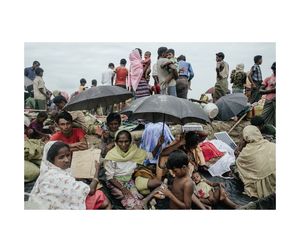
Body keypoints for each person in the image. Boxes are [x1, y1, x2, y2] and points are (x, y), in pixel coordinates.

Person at [29, 141, 111, 209]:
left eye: (68, 155)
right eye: (61, 157)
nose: (67, 160)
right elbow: (91, 191)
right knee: (102, 197)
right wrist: (96, 171)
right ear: (51, 160)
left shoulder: (47, 171)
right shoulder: (57, 176)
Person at [104, 130, 163, 209]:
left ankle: (145, 200)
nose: (123, 144)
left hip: (128, 180)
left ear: (131, 141)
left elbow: (151, 155)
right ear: (116, 142)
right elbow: (110, 177)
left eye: (126, 141)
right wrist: (123, 189)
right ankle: (147, 199)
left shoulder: (135, 152)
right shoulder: (111, 155)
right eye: (120, 142)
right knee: (131, 203)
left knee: (136, 199)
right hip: (115, 182)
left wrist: (158, 145)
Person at [235, 125, 276, 198]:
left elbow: (239, 167)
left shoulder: (245, 153)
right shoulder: (272, 145)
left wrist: (239, 149)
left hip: (267, 189)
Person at [260, 62, 276, 126]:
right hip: (269, 100)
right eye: (274, 69)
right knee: (264, 117)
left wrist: (268, 90)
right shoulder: (268, 79)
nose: (275, 71)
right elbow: (260, 90)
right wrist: (272, 90)